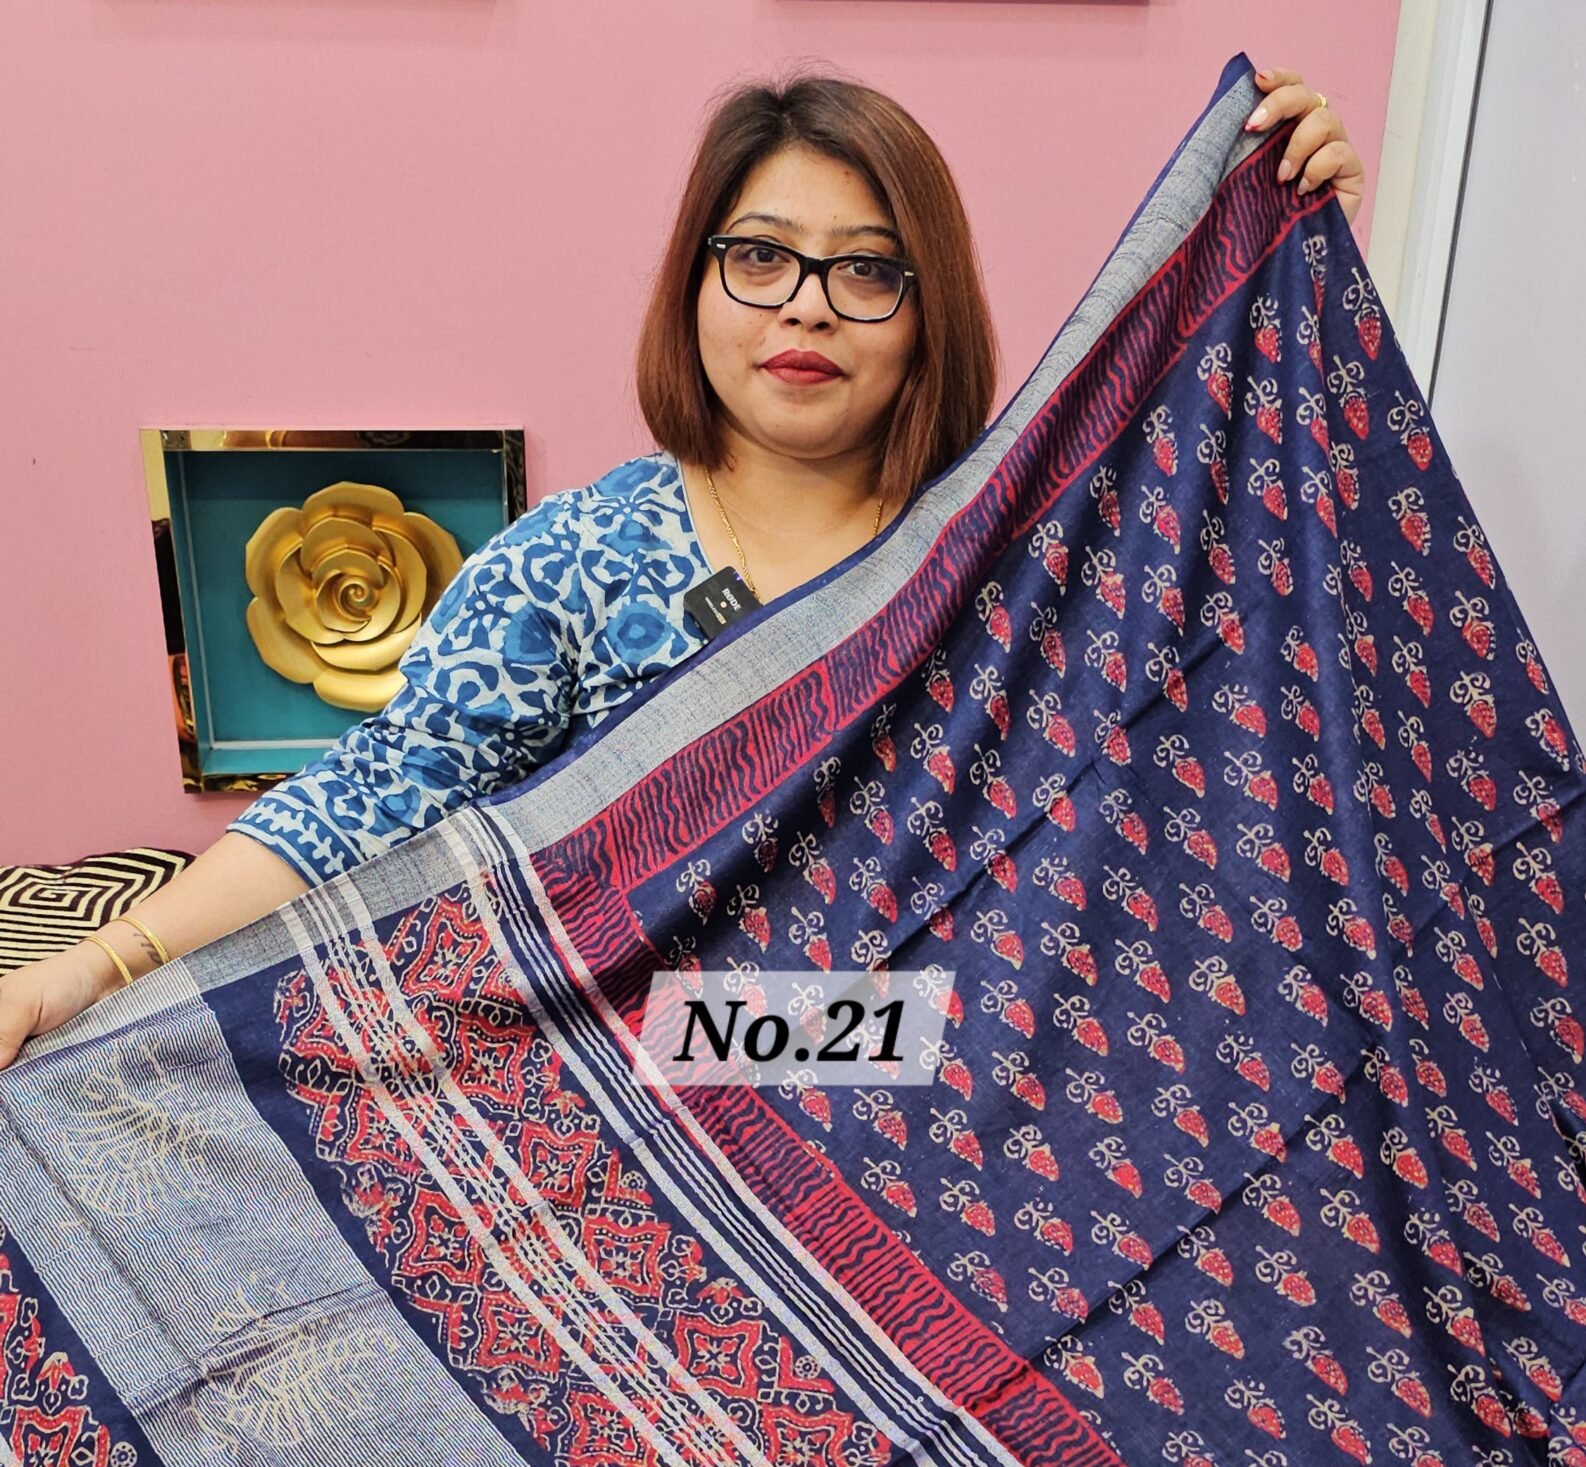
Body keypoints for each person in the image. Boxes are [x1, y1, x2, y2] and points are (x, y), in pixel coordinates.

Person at [0, 64, 1362, 1071]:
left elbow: (1248, 648)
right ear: (696, 285)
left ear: (926, 309)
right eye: (759, 257)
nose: (806, 306)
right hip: (652, 1084)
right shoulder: (580, 564)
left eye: (867, 271)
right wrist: (97, 968)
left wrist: (1307, 257)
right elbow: (370, 799)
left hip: (991, 1074)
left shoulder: (1015, 554)